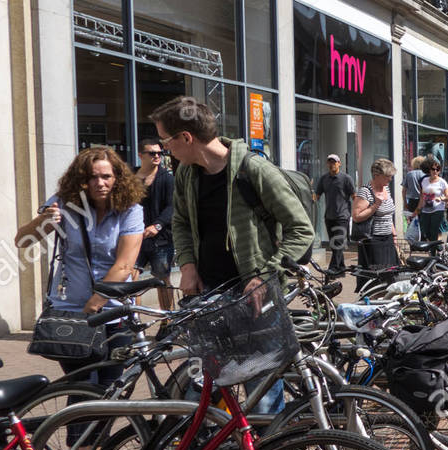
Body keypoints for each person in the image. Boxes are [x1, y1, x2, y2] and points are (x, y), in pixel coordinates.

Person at [152, 96, 311, 300]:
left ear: (186, 137)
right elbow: (181, 222)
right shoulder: (186, 173)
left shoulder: (255, 170)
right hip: (207, 294)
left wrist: (264, 277)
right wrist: (187, 266)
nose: (164, 149)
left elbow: (301, 229)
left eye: (164, 141)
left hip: (257, 297)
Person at [15, 146, 145, 382]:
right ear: (81, 180)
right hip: (70, 311)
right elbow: (22, 241)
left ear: (118, 178)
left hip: (114, 313)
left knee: (109, 385)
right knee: (80, 385)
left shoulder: (130, 211)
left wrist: (91, 309)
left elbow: (124, 266)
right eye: (92, 177)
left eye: (106, 176)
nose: (100, 183)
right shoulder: (65, 204)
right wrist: (43, 221)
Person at [135, 137, 176, 311]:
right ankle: (134, 319)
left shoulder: (167, 178)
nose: (157, 156)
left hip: (161, 240)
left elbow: (172, 206)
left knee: (162, 280)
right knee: (131, 278)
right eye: (152, 153)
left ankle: (167, 319)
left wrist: (157, 225)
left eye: (160, 153)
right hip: (135, 238)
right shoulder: (130, 178)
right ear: (140, 155)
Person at [313, 154, 355, 277]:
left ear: (339, 163)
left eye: (334, 162)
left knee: (338, 244)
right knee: (334, 244)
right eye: (330, 162)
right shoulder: (324, 179)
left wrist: (356, 213)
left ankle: (332, 269)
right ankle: (341, 269)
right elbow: (317, 196)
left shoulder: (346, 178)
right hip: (329, 217)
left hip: (342, 216)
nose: (332, 164)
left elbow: (354, 196)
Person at [352, 157, 398, 271]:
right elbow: (356, 217)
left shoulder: (386, 189)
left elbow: (388, 215)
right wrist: (376, 205)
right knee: (376, 273)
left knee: (391, 272)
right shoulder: (365, 191)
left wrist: (394, 235)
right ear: (377, 175)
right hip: (373, 241)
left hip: (387, 239)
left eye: (391, 175)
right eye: (387, 176)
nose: (390, 179)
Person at [413, 158, 448, 242]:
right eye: (433, 169)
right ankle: (434, 246)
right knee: (425, 231)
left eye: (438, 169)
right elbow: (422, 197)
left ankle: (434, 249)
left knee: (434, 231)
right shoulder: (424, 181)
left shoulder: (442, 182)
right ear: (429, 170)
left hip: (437, 209)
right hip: (425, 210)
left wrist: (441, 198)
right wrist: (417, 210)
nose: (435, 171)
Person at [404, 155, 426, 234]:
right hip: (423, 201)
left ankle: (413, 239)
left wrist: (405, 202)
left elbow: (404, 190)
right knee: (423, 223)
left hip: (412, 201)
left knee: (412, 223)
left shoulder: (409, 174)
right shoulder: (425, 174)